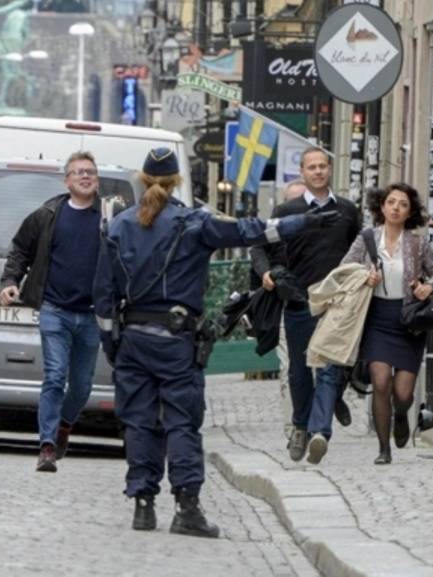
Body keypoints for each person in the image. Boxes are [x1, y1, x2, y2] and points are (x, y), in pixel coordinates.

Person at [93, 147, 339, 538]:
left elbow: (103, 296)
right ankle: (187, 508)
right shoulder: (195, 223)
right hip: (177, 341)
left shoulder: (120, 226)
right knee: (182, 423)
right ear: (177, 181)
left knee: (139, 422)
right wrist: (302, 223)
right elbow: (252, 231)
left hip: (134, 339)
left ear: (142, 179)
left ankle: (143, 504)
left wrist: (112, 343)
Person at [251, 148, 361, 464]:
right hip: (299, 300)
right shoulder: (287, 211)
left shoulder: (347, 211)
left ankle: (319, 433)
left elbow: (361, 250)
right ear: (302, 171)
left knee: (328, 369)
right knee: (300, 371)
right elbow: (259, 246)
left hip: (337, 304)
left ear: (330, 170)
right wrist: (266, 273)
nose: (317, 172)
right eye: (311, 167)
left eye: (322, 166)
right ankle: (301, 425)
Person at [0, 151, 102, 473]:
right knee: (55, 377)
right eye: (78, 172)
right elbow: (20, 251)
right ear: (67, 180)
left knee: (82, 385)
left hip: (92, 315)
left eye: (90, 172)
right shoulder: (47, 215)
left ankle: (64, 426)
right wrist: (9, 281)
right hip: (54, 311)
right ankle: (46, 445)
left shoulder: (110, 217)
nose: (85, 177)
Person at [340, 183, 433, 464]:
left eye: (403, 204)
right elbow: (344, 270)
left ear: (409, 211)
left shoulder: (417, 242)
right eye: (391, 202)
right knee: (381, 381)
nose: (396, 208)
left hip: (409, 319)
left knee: (402, 393)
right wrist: (365, 275)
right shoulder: (367, 238)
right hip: (377, 318)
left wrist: (427, 288)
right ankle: (383, 448)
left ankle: (401, 415)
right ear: (382, 206)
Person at [273, 180, 307, 437]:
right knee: (289, 370)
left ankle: (312, 421)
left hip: (318, 306)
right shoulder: (278, 230)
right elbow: (259, 250)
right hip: (287, 307)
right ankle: (292, 426)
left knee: (317, 370)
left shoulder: (322, 231)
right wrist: (266, 273)